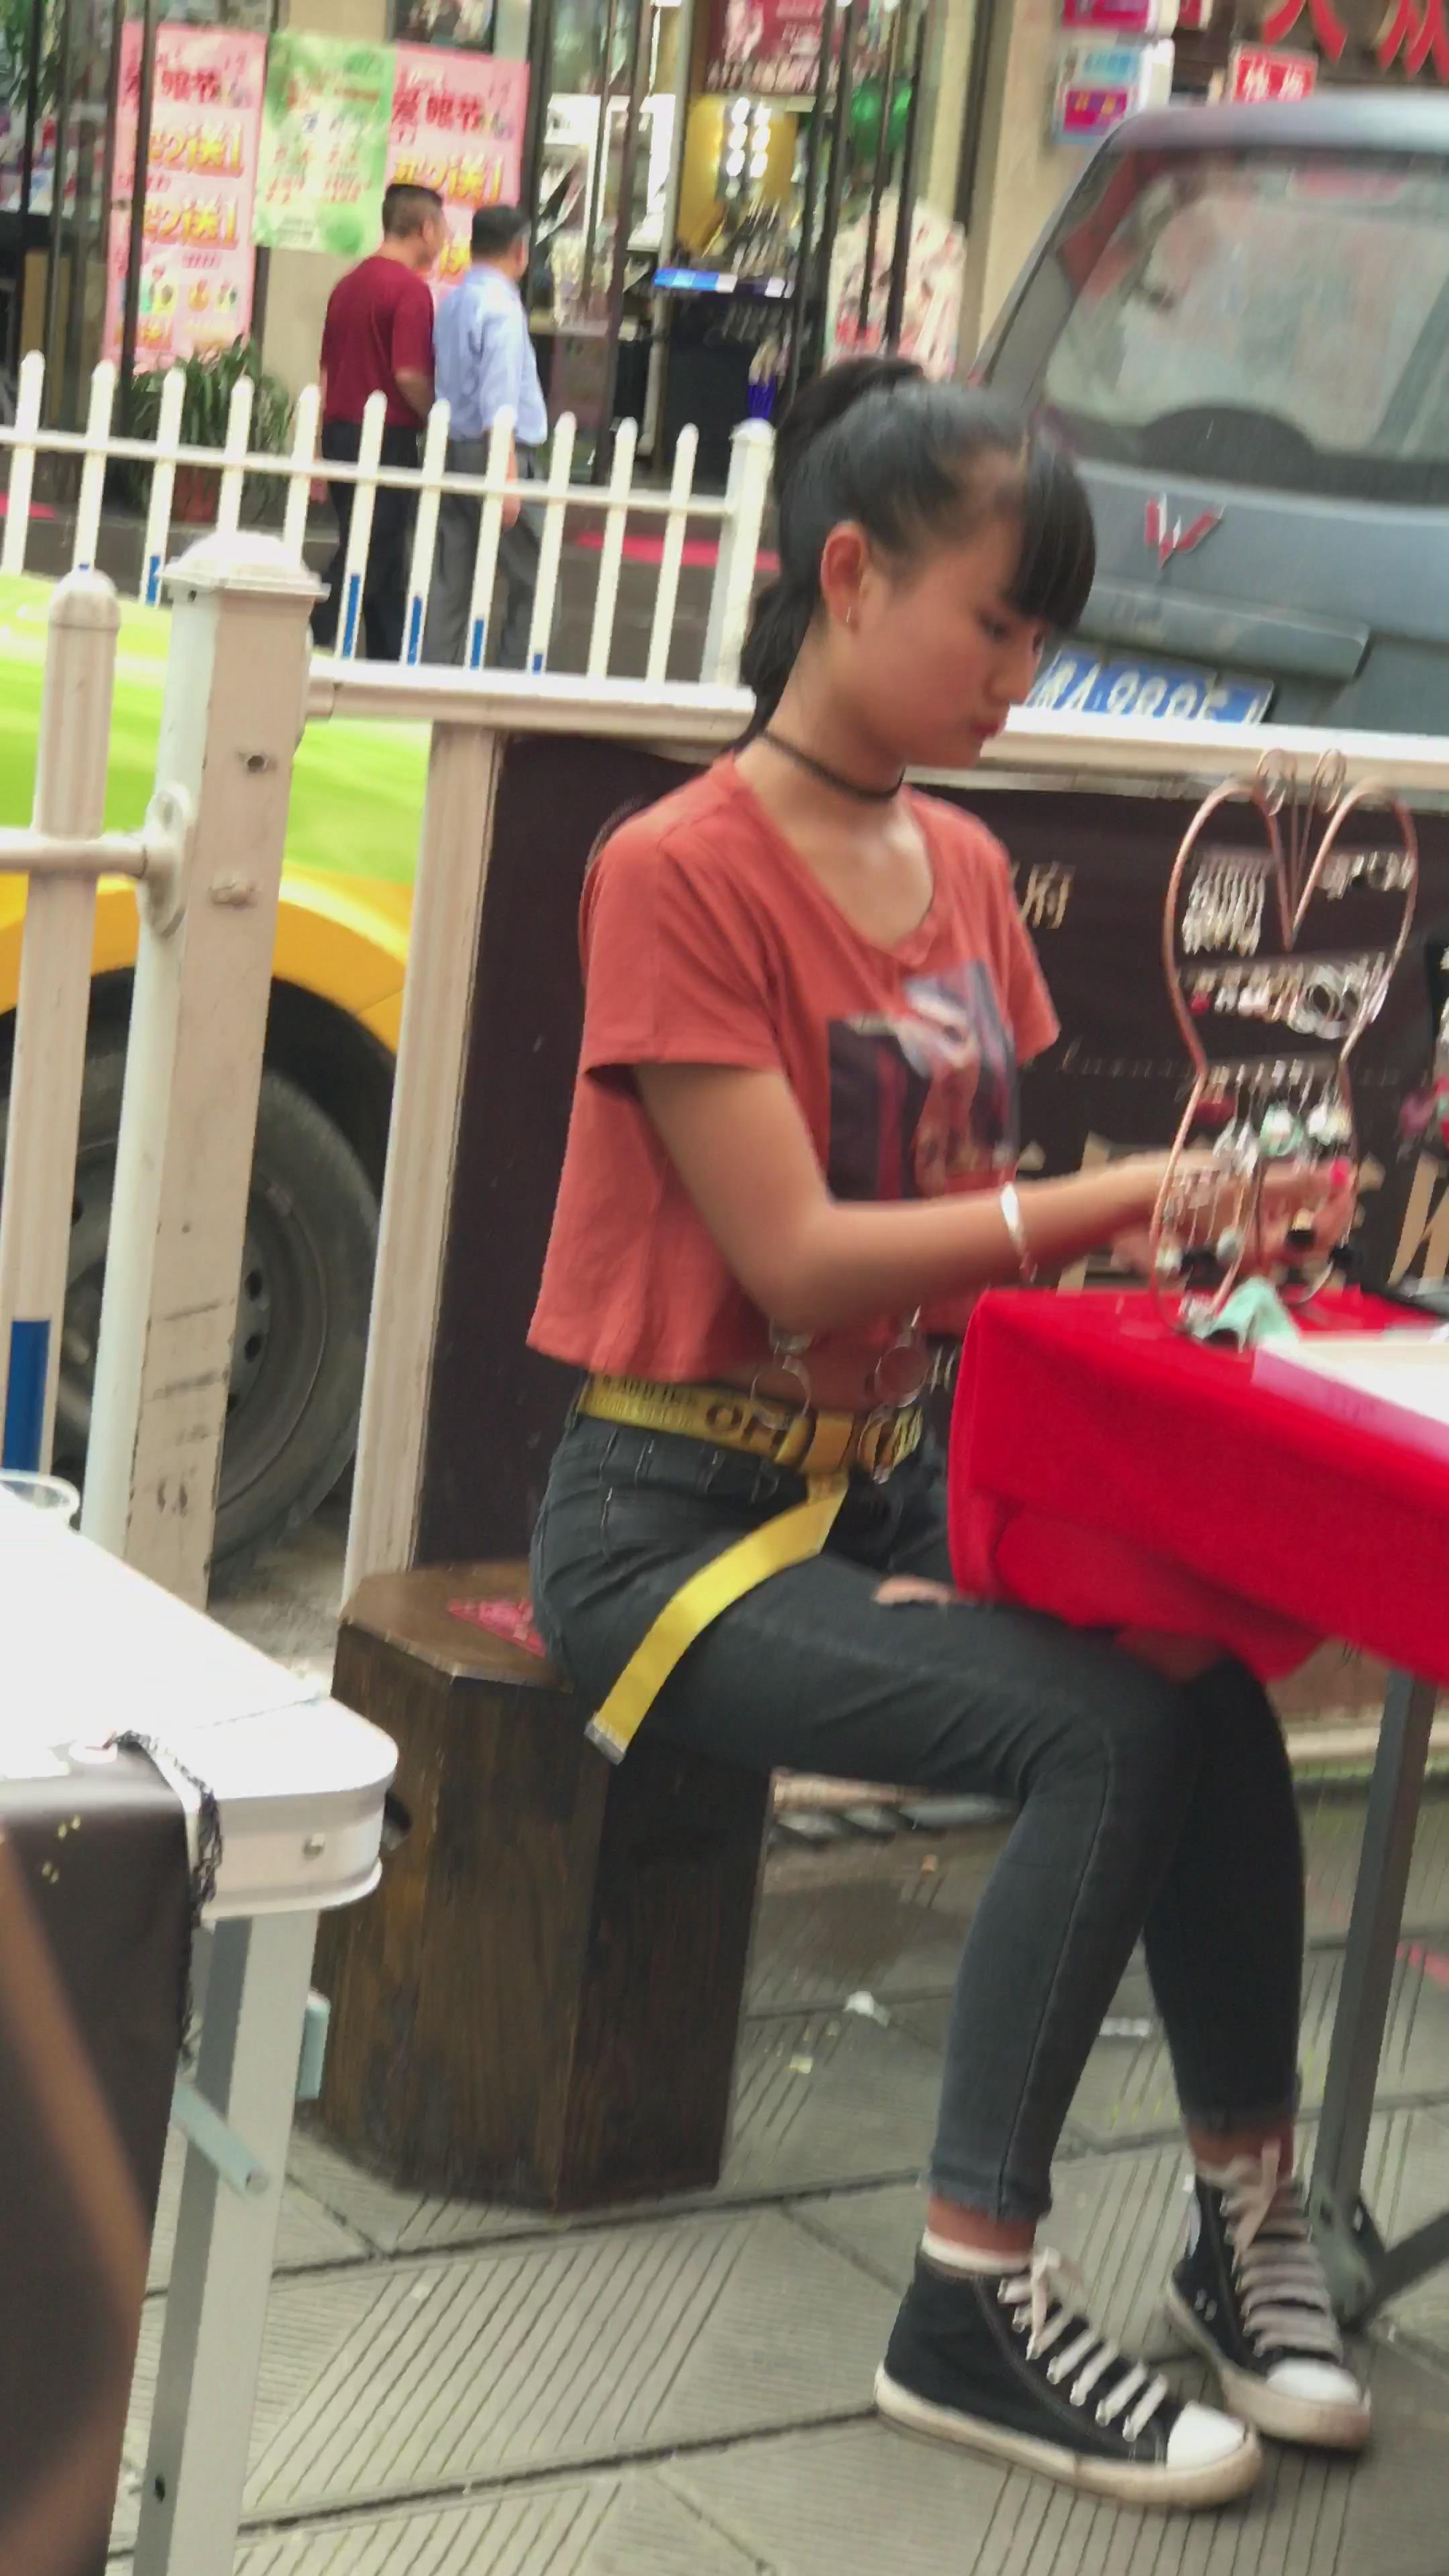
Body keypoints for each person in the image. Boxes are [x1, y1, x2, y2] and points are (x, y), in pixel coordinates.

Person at [527, 358, 1368, 2510]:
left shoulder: (971, 866)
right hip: (674, 1522)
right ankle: (969, 2295)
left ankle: (1245, 2218)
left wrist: (1198, 1239)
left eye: (1042, 637)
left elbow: (972, 1256)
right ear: (847, 575)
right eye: (997, 623)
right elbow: (804, 1263)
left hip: (899, 1479)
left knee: (1207, 1669)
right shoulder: (679, 867)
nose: (1024, 674)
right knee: (1101, 1728)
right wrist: (1120, 1196)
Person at [313, 183, 445, 662]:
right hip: (386, 437)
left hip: (341, 430)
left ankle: (388, 664)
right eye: (443, 229)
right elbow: (409, 373)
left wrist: (319, 445)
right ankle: (308, 635)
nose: (445, 240)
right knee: (370, 551)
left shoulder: (347, 285)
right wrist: (438, 418)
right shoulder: (410, 291)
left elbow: (326, 371)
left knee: (381, 556)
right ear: (426, 229)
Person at [423, 203, 550, 671]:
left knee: (450, 580)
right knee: (536, 583)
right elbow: (500, 399)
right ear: (520, 251)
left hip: (455, 449)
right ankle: (513, 687)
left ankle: (431, 681)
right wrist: (507, 475)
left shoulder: (453, 302)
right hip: (499, 453)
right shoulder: (503, 309)